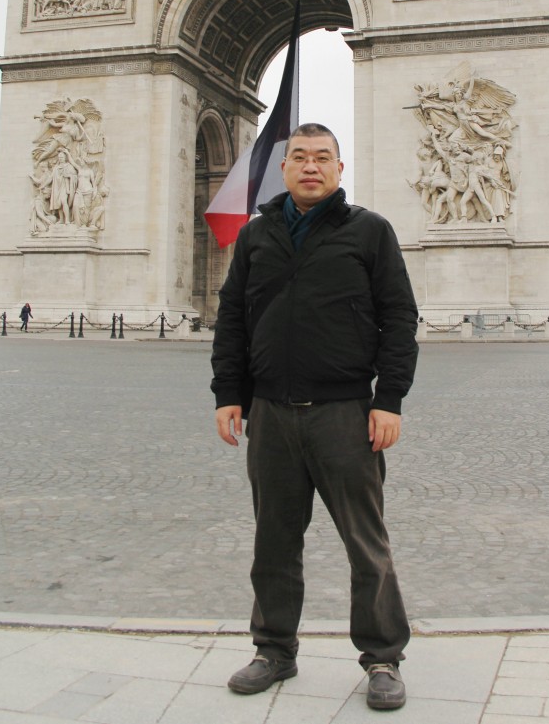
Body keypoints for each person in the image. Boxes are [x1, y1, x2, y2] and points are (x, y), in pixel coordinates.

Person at [212, 123, 419, 711]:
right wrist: (229, 392)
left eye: (321, 157)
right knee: (273, 542)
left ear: (338, 168)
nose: (310, 166)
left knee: (365, 543)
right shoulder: (255, 237)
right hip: (271, 414)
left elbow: (399, 319)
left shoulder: (370, 232)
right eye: (299, 157)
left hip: (346, 414)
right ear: (283, 170)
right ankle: (273, 650)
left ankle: (383, 658)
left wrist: (389, 399)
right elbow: (232, 320)